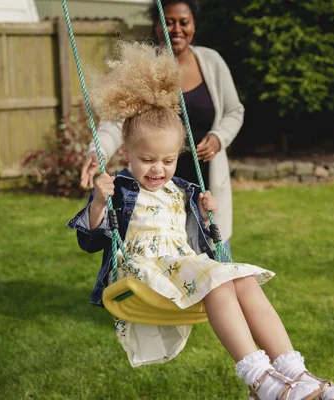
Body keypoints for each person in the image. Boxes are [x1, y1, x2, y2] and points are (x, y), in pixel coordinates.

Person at [67, 41, 334, 400]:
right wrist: (97, 202)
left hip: (180, 266)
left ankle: (296, 372)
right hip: (143, 272)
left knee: (243, 278)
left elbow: (196, 240)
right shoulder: (120, 187)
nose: (158, 169)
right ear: (127, 154)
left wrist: (203, 214)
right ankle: (260, 381)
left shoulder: (181, 190)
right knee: (218, 278)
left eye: (168, 160)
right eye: (147, 159)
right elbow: (90, 240)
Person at [80, 0, 242, 258]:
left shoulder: (212, 61)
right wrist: (96, 153)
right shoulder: (145, 67)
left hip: (204, 181)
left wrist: (218, 138)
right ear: (156, 25)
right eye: (168, 21)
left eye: (183, 22)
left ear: (193, 25)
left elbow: (235, 111)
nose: (176, 28)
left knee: (216, 256)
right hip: (155, 182)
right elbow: (115, 120)